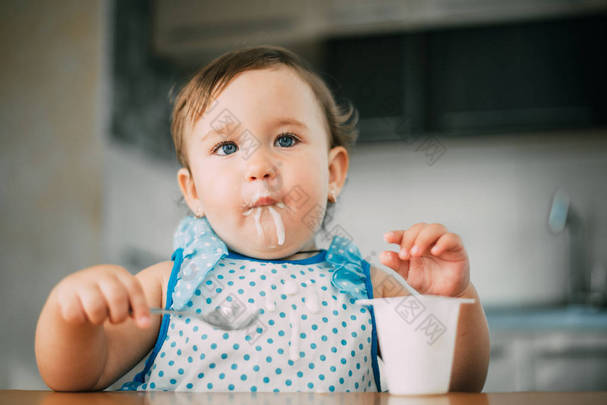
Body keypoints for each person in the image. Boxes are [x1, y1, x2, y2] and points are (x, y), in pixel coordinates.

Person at [35, 45, 489, 392]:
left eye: (286, 140)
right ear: (193, 192)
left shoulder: (371, 286)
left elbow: (458, 384)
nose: (260, 166)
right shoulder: (169, 285)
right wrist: (70, 315)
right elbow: (79, 375)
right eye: (228, 148)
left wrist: (451, 302)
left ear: (333, 173)